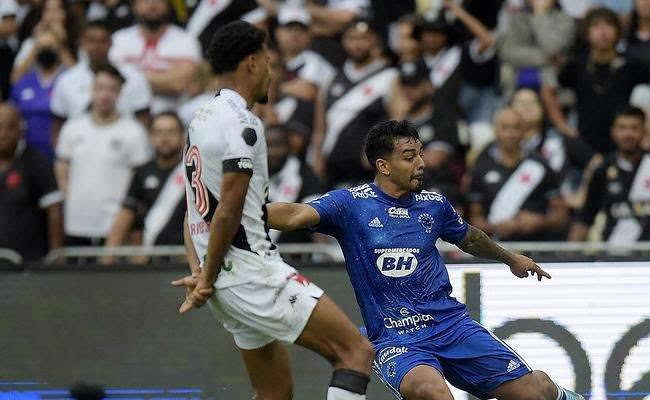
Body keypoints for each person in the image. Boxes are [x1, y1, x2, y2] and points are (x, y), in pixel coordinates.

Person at [263, 119, 585, 400]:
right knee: (432, 394)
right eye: (409, 156)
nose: (421, 163)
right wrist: (239, 213)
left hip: (452, 326)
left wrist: (510, 258)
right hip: (396, 339)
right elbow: (294, 214)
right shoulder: (351, 204)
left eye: (420, 153)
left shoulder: (434, 205)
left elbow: (469, 237)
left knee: (534, 393)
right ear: (383, 165)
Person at [172, 21, 374, 400]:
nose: (271, 70)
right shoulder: (243, 124)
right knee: (355, 353)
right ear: (250, 62)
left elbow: (194, 210)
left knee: (273, 391)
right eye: (268, 61)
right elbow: (227, 213)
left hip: (224, 282)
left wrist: (200, 271)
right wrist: (206, 276)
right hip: (252, 274)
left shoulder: (201, 119)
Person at [55, 64, 150, 246]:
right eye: (100, 88)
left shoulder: (134, 132)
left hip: (114, 226)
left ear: (120, 93)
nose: (105, 95)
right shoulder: (72, 127)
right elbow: (61, 165)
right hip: (75, 223)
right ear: (91, 90)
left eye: (112, 89)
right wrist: (69, 196)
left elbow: (139, 178)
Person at [542, 7, 650, 154]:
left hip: (626, 144)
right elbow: (548, 90)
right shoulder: (577, 64)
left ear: (617, 30)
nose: (603, 32)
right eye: (596, 26)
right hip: (585, 144)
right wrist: (562, 126)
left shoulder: (632, 63)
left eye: (608, 25)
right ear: (586, 32)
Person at [313, 18, 397, 187]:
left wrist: (380, 151)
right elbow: (320, 127)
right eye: (352, 39)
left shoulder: (390, 77)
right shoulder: (331, 77)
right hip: (333, 167)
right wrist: (316, 156)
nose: (357, 45)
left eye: (363, 38)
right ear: (343, 41)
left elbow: (398, 121)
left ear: (374, 40)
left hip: (368, 171)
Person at [467, 108, 568, 241]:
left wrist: (539, 222)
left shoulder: (541, 166)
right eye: (505, 128)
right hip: (495, 249)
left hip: (535, 246)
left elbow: (562, 216)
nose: (511, 134)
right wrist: (497, 227)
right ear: (496, 131)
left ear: (524, 131)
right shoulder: (481, 167)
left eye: (516, 128)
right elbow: (474, 219)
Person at [50, 20, 152, 135]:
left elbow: (144, 119)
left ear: (111, 43)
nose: (96, 46)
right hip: (79, 145)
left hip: (123, 145)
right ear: (82, 42)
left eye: (102, 41)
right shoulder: (66, 80)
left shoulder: (133, 77)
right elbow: (58, 124)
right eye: (91, 41)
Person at [104, 111, 186, 253]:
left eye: (171, 132)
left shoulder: (194, 172)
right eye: (158, 132)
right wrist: (107, 258)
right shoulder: (141, 172)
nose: (164, 138)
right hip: (150, 257)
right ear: (151, 137)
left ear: (183, 137)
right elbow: (126, 213)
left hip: (184, 256)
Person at [569, 106, 650, 243]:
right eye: (622, 128)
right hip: (613, 256)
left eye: (634, 128)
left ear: (644, 131)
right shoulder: (602, 169)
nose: (628, 134)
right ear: (613, 131)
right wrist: (568, 255)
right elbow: (586, 216)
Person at [388, 58, 462, 203]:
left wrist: (391, 157)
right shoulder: (393, 118)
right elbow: (368, 158)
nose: (408, 91)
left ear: (428, 86)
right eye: (404, 85)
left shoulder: (443, 117)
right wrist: (395, 123)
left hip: (432, 185)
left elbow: (434, 160)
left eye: (414, 85)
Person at [108, 0, 202, 114]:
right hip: (126, 116)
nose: (152, 5)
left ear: (168, 5)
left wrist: (131, 75)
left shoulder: (186, 40)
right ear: (134, 5)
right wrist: (165, 77)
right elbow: (112, 79)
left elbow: (178, 84)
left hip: (173, 120)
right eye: (145, 1)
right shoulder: (119, 39)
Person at [0, 102, 63, 261]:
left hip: (29, 265)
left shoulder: (37, 163)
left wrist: (56, 257)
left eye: (9, 127)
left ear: (21, 130)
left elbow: (54, 211)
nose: (3, 134)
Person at [10, 27, 64, 161]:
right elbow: (12, 115)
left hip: (58, 151)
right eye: (41, 47)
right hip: (26, 153)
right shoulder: (24, 81)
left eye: (50, 47)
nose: (46, 51)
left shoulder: (67, 80)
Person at [267, 124, 322, 243]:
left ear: (289, 147)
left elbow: (317, 219)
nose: (271, 152)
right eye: (267, 146)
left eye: (277, 145)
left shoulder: (305, 175)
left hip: (295, 257)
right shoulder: (250, 175)